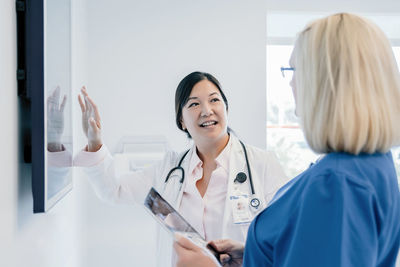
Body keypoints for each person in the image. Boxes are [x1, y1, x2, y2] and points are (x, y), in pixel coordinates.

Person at [174, 13, 400, 267]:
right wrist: (257, 253)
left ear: (325, 81)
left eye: (294, 69)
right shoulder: (372, 164)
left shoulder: (337, 184)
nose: (291, 82)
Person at [73, 71, 288, 267]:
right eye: (194, 104)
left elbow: (288, 238)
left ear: (226, 108)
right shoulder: (168, 171)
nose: (207, 110)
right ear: (182, 121)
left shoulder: (262, 165)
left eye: (215, 100)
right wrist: (95, 141)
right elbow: (114, 189)